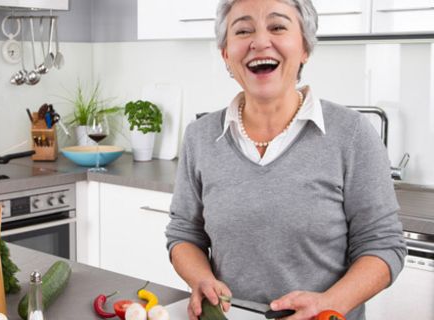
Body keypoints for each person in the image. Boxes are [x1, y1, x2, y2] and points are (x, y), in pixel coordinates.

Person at [165, 1, 407, 319]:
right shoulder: (199, 136)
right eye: (243, 30)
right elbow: (184, 235)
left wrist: (328, 303)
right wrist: (202, 280)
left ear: (305, 46)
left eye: (278, 26)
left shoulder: (353, 133)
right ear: (226, 53)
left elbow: (384, 245)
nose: (260, 41)